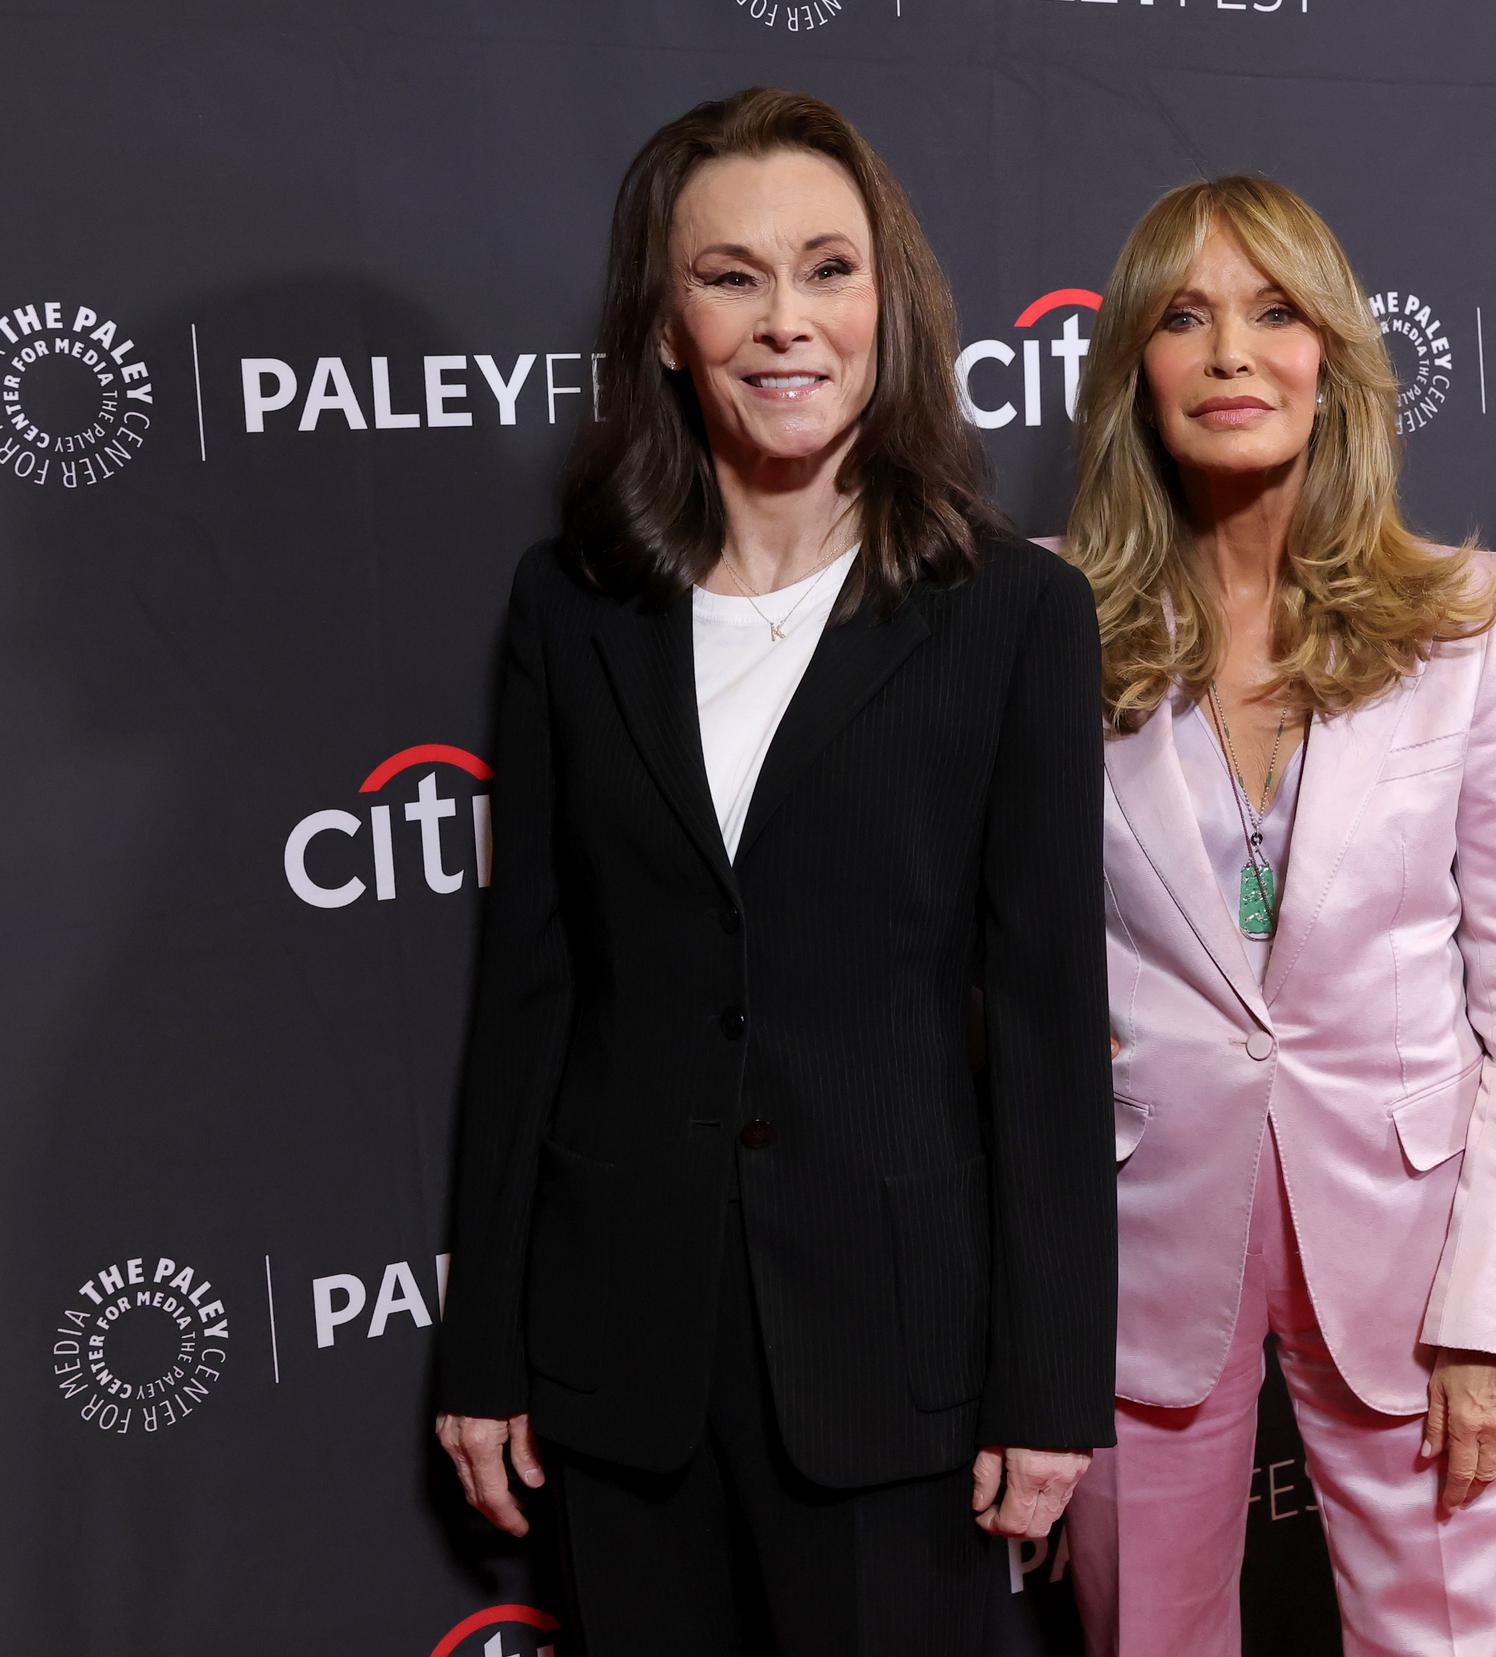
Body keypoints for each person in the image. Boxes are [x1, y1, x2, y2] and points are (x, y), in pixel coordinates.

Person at [429, 87, 1114, 1656]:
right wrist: (482, 1345)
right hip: (619, 1349)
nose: (784, 320)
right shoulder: (570, 609)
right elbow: (530, 989)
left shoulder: (1012, 616)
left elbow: (1050, 1027)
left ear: (891, 302)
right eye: (730, 275)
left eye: (827, 269)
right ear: (666, 324)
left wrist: (1050, 1385)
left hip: (898, 1356)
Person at [1056, 174, 1496, 1657]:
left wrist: (1495, 1314)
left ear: (1334, 356)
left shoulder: (1472, 618)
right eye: (1185, 316)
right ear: (1135, 373)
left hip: (1416, 1253)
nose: (1232, 352)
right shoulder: (1044, 625)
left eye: (1274, 311)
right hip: (1135, 1242)